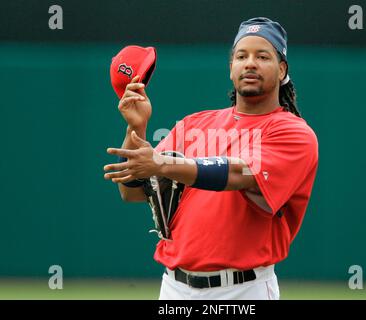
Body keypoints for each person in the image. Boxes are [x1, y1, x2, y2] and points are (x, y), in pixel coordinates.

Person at [104, 17, 318, 300]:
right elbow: (132, 192)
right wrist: (137, 128)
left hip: (244, 290)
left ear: (281, 70)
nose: (250, 63)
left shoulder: (293, 132)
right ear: (231, 68)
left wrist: (162, 164)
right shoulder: (194, 125)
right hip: (175, 288)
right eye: (241, 56)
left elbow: (240, 174)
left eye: (262, 56)